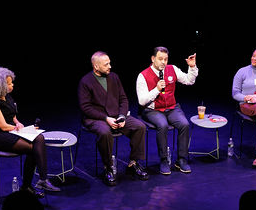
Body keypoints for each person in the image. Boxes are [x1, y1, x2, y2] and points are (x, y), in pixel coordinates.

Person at [0, 66, 60, 198]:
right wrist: (18, 129)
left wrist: (18, 123)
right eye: (9, 83)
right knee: (32, 149)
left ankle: (42, 180)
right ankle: (27, 187)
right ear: (0, 86)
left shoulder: (7, 97)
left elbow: (12, 117)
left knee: (39, 138)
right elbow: (3, 126)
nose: (12, 85)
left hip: (9, 131)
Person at [78, 51, 149, 185]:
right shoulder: (86, 81)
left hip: (116, 115)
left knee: (140, 126)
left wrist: (122, 116)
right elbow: (85, 107)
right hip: (96, 118)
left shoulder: (114, 77)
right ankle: (108, 167)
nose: (110, 66)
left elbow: (123, 99)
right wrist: (106, 118)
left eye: (109, 63)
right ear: (96, 66)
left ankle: (133, 163)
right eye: (106, 64)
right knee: (105, 132)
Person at [136, 46, 198, 174]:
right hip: (152, 109)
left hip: (171, 108)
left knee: (184, 125)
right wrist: (157, 90)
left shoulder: (172, 69)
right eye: (160, 59)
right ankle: (164, 160)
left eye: (166, 59)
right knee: (162, 125)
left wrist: (192, 67)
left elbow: (189, 81)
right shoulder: (143, 75)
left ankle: (181, 159)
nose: (163, 62)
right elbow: (142, 101)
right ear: (153, 59)